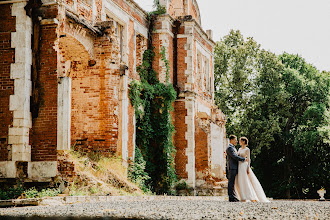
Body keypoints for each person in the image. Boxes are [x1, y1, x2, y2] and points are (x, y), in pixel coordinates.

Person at [235, 137, 270, 202]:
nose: (239, 142)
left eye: (240, 141)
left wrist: (248, 167)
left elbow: (249, 159)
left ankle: (249, 196)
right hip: (239, 165)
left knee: (245, 180)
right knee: (240, 180)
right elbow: (237, 156)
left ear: (243, 141)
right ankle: (242, 196)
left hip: (244, 165)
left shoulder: (247, 149)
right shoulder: (239, 149)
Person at [226, 135, 247, 202]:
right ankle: (231, 197)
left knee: (233, 182)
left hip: (234, 167)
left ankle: (233, 196)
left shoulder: (232, 147)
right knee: (231, 182)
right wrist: (243, 159)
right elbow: (234, 156)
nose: (236, 141)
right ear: (231, 140)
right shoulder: (229, 148)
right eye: (235, 140)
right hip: (232, 167)